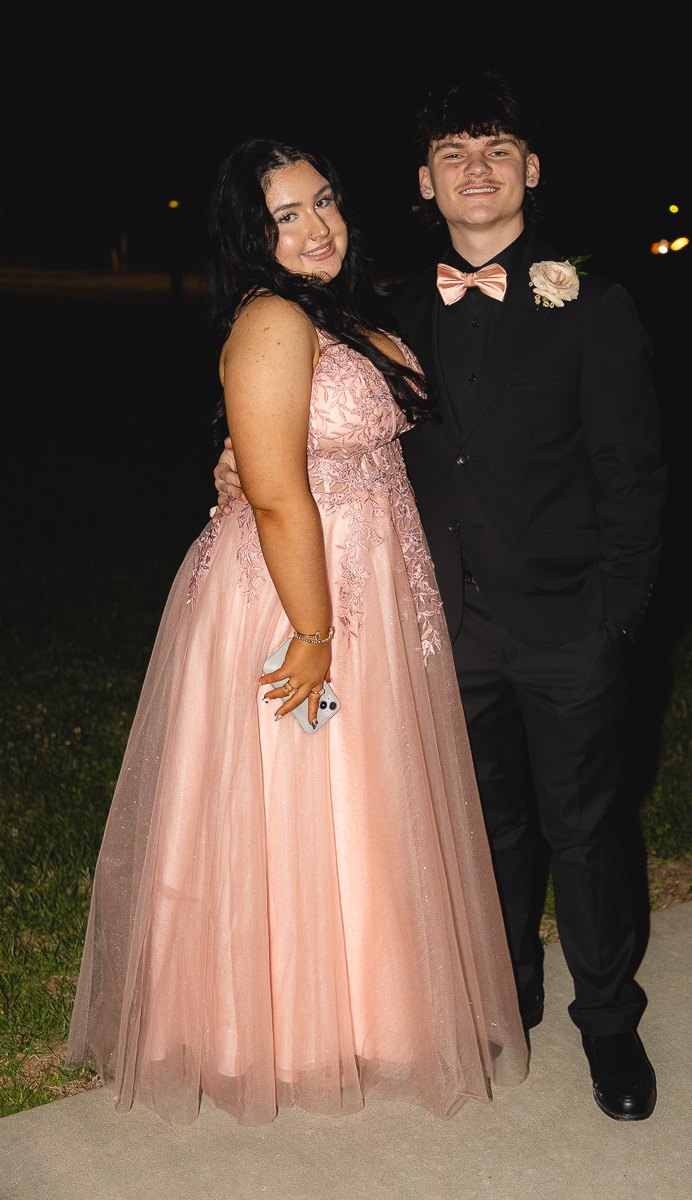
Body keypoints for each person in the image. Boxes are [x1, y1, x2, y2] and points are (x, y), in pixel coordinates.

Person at [215, 77, 667, 1122]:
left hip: (565, 625)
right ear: (422, 182)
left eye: (497, 149)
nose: (475, 169)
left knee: (586, 832)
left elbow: (635, 475)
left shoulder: (594, 305)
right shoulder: (381, 310)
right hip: (434, 630)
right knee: (478, 828)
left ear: (531, 171)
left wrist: (615, 619)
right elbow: (304, 423)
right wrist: (233, 466)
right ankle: (502, 996)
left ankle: (609, 1024)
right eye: (452, 153)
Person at [67, 138, 529, 1127]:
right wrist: (315, 634)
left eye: (324, 202)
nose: (317, 226)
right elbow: (277, 495)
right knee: (295, 797)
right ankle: (272, 1029)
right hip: (295, 596)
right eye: (287, 215)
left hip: (362, 580)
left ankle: (364, 1012)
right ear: (251, 235)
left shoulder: (339, 312)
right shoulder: (272, 318)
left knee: (357, 802)